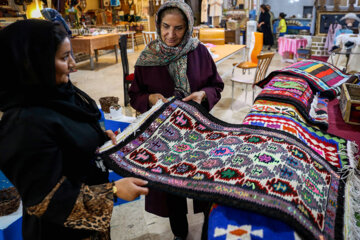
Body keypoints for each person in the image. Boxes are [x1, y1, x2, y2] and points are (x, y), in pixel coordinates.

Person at [0, 19, 149, 240]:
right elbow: (46, 200)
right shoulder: (24, 124)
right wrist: (114, 191)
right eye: (63, 58)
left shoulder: (60, 95)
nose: (73, 65)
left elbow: (70, 134)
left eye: (71, 54)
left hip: (89, 228)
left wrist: (98, 138)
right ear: (33, 63)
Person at [128, 1, 224, 239]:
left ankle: (205, 231)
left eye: (178, 28)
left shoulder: (198, 51)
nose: (171, 35)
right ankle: (180, 233)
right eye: (165, 27)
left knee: (202, 183)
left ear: (188, 27)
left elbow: (216, 85)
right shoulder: (148, 56)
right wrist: (149, 98)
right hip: (165, 136)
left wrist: (203, 95)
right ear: (158, 25)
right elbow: (134, 95)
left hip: (198, 130)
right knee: (172, 189)